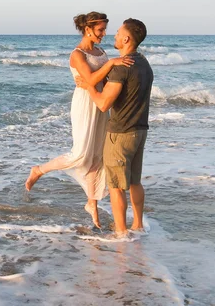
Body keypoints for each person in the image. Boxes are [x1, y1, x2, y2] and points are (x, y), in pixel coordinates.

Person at [25, 12, 134, 229]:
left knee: (97, 155)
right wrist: (112, 63)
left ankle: (91, 204)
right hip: (84, 104)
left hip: (101, 103)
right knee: (81, 153)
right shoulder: (77, 54)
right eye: (100, 30)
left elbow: (101, 79)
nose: (104, 34)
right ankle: (39, 170)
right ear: (88, 30)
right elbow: (91, 79)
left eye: (104, 29)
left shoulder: (100, 51)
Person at [75, 18, 153, 238]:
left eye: (118, 32)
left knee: (117, 186)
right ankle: (138, 225)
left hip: (120, 133)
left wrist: (88, 86)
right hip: (140, 130)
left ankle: (121, 232)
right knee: (135, 181)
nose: (115, 35)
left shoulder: (121, 67)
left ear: (127, 39)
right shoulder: (144, 63)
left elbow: (103, 104)